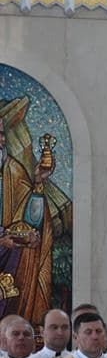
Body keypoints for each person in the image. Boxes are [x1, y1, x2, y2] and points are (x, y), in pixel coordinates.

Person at [0, 113, 54, 325]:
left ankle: (21, 325)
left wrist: (38, 183)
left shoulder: (14, 171)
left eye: (2, 134)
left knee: (30, 248)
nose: (1, 140)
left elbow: (32, 222)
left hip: (12, 262)